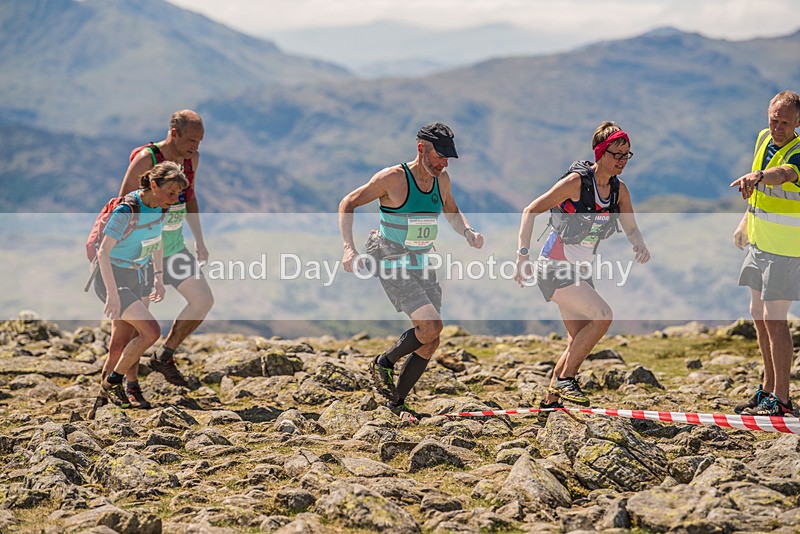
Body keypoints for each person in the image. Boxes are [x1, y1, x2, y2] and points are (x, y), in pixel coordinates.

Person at [339, 122, 484, 418]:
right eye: (439, 157)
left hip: (420, 258)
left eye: (447, 158)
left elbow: (451, 211)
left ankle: (396, 403)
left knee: (431, 339)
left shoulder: (441, 178)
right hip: (388, 255)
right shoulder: (392, 179)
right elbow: (348, 203)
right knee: (430, 326)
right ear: (421, 149)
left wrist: (467, 232)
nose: (443, 163)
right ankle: (384, 362)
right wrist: (348, 248)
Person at [513, 121, 650, 415]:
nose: (623, 160)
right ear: (600, 153)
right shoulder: (576, 183)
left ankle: (550, 402)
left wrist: (638, 244)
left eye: (627, 155)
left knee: (577, 340)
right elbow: (530, 210)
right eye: (617, 154)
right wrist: (522, 256)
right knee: (603, 316)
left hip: (581, 271)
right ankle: (565, 379)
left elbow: (631, 227)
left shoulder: (619, 190)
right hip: (553, 266)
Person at [116, 110, 213, 388]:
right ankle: (130, 385)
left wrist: (200, 240)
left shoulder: (191, 160)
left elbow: (190, 198)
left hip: (174, 248)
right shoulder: (147, 159)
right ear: (174, 133)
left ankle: (165, 355)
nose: (196, 147)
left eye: (200, 141)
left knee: (202, 300)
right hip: (144, 253)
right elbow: (124, 202)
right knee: (139, 328)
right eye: (192, 140)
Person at [92, 162, 188, 412]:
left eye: (178, 194)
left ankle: (100, 404)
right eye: (170, 192)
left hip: (139, 275)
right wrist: (112, 295)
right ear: (153, 185)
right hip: (113, 278)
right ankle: (113, 383)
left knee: (121, 343)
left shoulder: (159, 207)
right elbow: (103, 252)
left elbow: (156, 242)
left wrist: (158, 277)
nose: (175, 198)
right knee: (151, 332)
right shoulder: (127, 210)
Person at [731, 90, 800, 417]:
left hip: (787, 250)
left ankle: (782, 401)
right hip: (760, 243)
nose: (778, 127)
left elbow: (783, 174)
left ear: (798, 122)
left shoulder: (798, 152)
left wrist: (757, 176)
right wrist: (745, 222)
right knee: (758, 315)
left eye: (786, 122)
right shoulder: (763, 138)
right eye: (774, 119)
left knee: (775, 321)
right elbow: (760, 191)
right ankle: (769, 389)